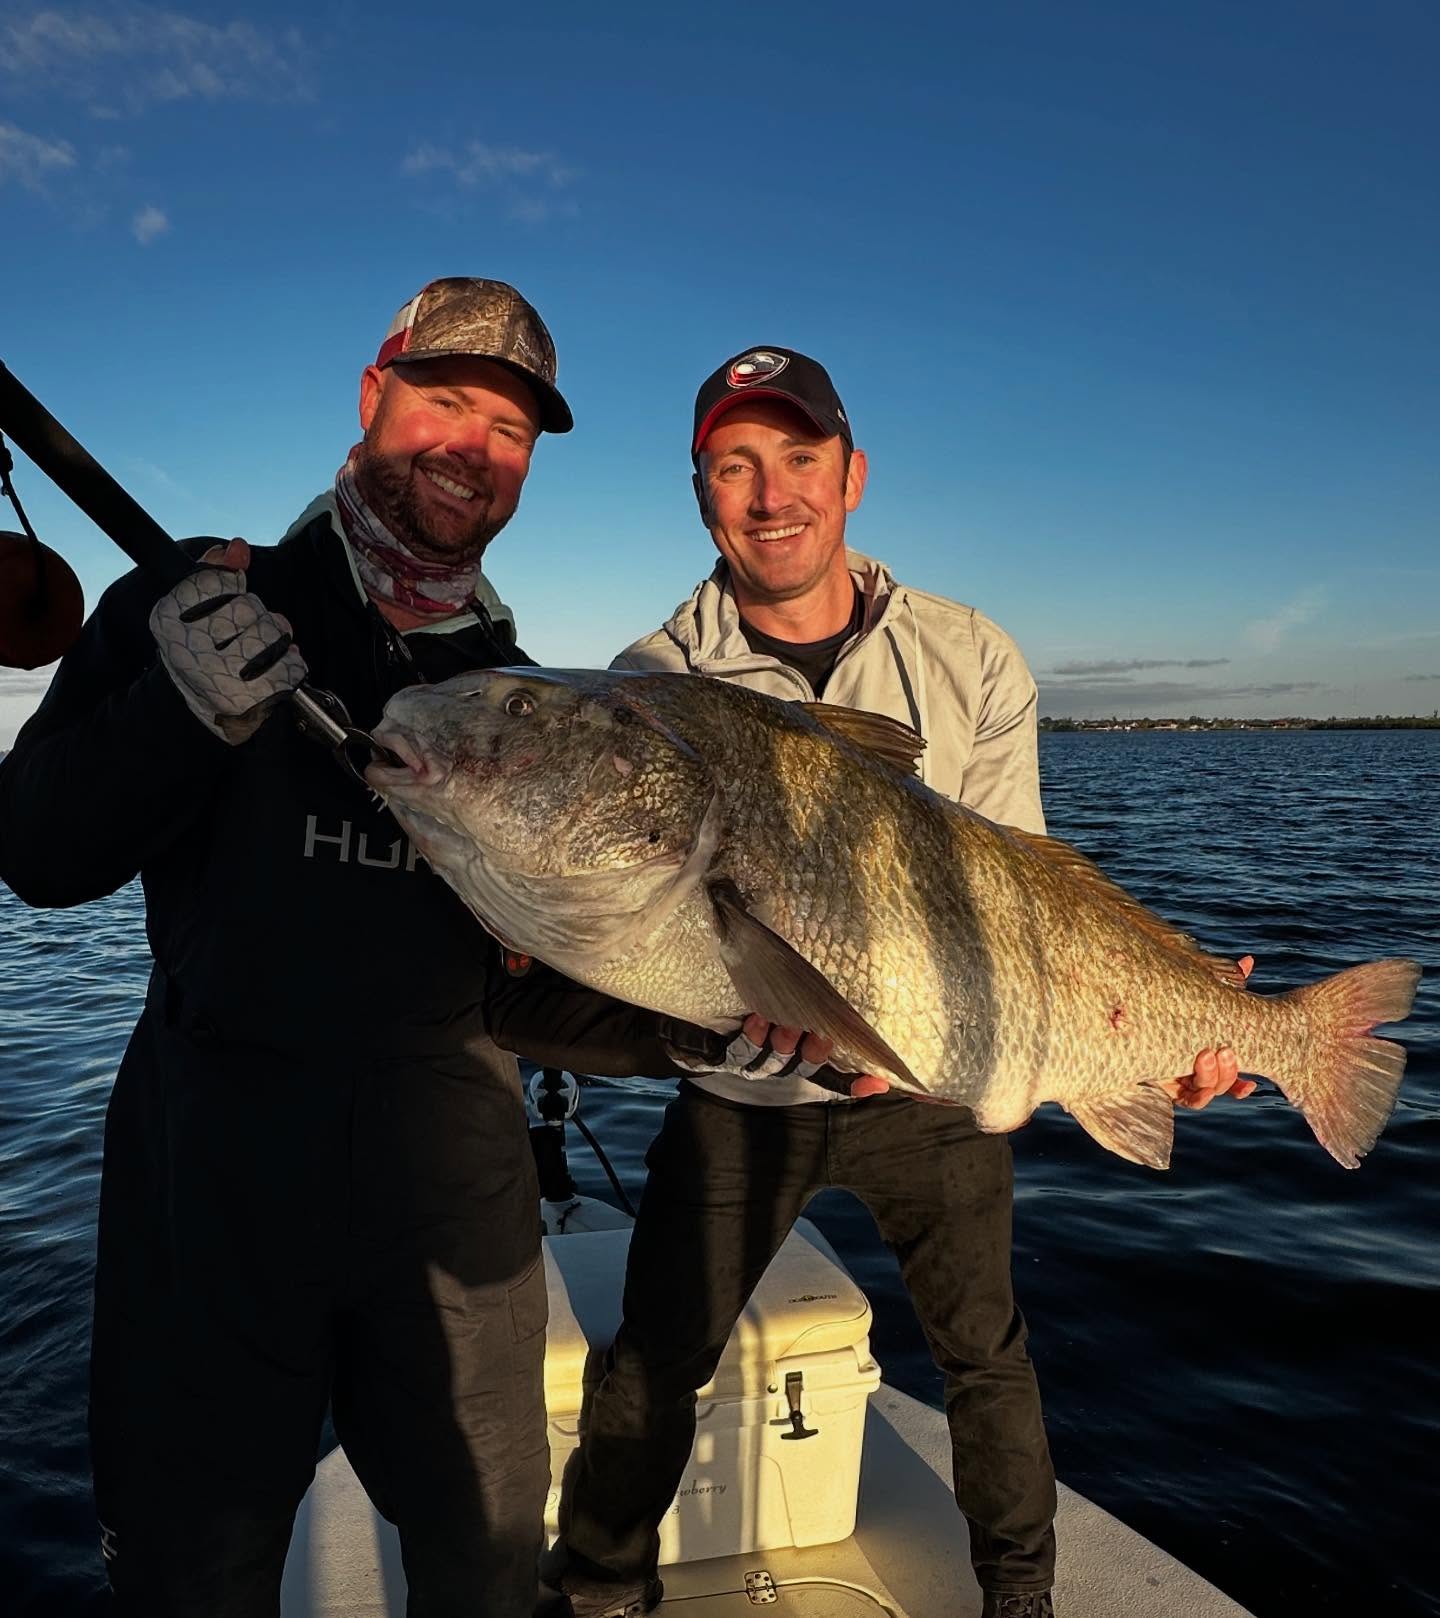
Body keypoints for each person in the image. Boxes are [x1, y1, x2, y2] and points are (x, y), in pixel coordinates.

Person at [0, 278, 687, 1618]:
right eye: (444, 401)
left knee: (489, 1567)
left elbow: (541, 994)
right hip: (213, 1179)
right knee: (192, 1573)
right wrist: (175, 717)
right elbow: (36, 851)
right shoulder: (192, 594)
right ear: (374, 400)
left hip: (453, 1189)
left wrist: (711, 1032)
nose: (472, 449)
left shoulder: (535, 701)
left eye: (510, 430)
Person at [550, 346, 1255, 1618]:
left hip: (930, 1083)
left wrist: (1164, 1020)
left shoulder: (969, 653)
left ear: (853, 475)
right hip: (741, 1081)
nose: (773, 495)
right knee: (654, 1357)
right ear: (702, 492)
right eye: (736, 465)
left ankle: (1021, 1599)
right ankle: (597, 1590)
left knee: (985, 1354)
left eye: (800, 459)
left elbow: (1023, 894)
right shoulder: (652, 683)